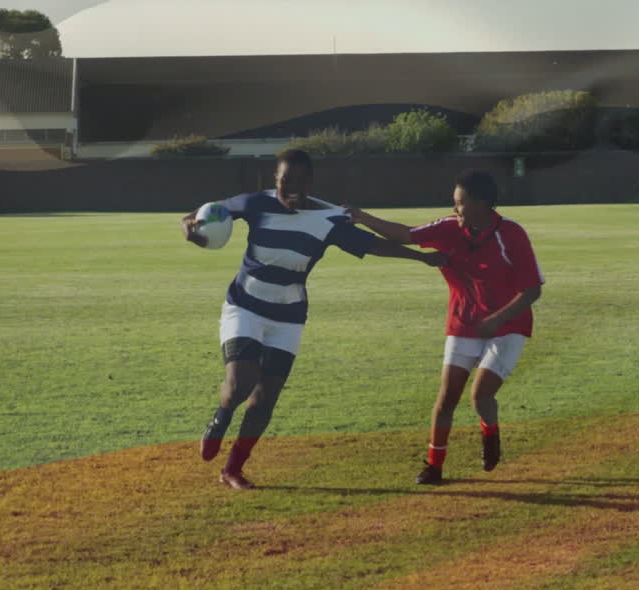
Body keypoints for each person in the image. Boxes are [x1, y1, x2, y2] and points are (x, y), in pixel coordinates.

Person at [182, 149, 446, 490]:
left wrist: (422, 259)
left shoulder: (330, 219)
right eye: (283, 180)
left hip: (288, 316)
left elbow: (375, 245)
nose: (289, 187)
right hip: (245, 305)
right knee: (239, 385)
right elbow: (207, 212)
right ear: (274, 179)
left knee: (265, 398)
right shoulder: (255, 203)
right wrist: (187, 225)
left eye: (297, 181)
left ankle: (233, 468)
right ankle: (221, 417)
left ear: (310, 182)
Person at [349, 170, 543, 484]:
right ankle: (434, 466)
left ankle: (490, 434)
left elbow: (532, 290)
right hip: (464, 322)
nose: (455, 209)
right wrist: (362, 218)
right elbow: (404, 234)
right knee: (446, 398)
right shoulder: (450, 227)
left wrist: (496, 319)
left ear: (482, 204)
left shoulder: (511, 234)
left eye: (461, 203)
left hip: (509, 325)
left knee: (480, 396)